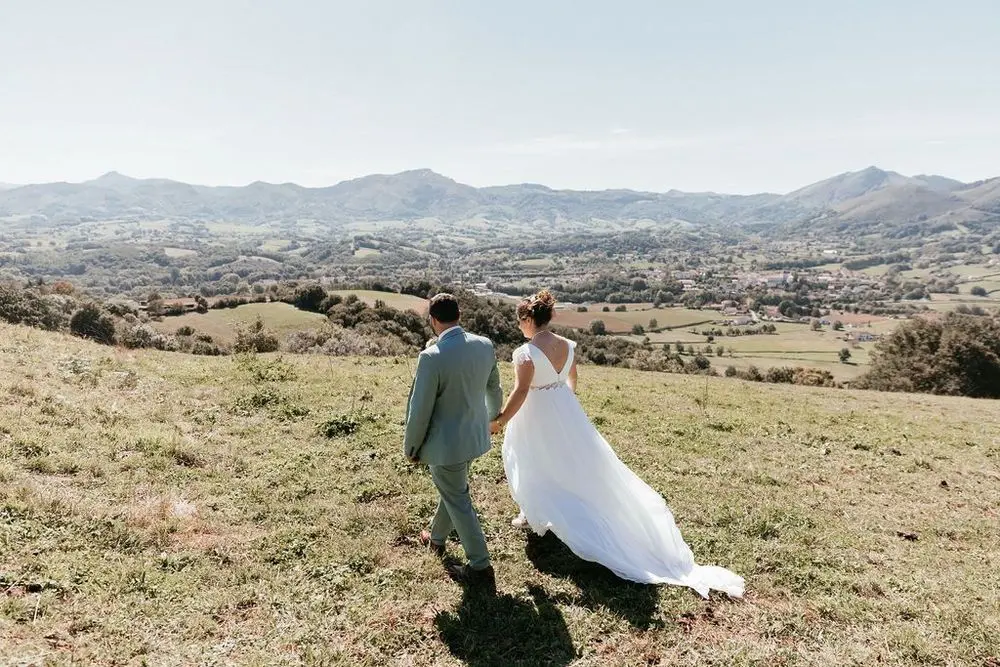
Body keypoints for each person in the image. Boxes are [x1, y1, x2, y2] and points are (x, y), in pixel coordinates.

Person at [491, 290, 744, 598]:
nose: (519, 326)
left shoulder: (525, 353)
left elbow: (520, 391)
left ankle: (534, 513)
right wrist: (564, 403)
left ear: (529, 319)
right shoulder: (568, 345)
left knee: (531, 458)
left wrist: (500, 420)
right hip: (565, 410)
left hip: (537, 414)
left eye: (520, 321)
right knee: (569, 460)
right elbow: (572, 379)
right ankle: (538, 510)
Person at [404, 293, 503, 585]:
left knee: (458, 498)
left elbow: (420, 409)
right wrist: (491, 420)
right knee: (454, 490)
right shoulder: (484, 345)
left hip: (446, 445)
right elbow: (494, 389)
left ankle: (480, 566)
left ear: (432, 320)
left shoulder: (431, 356)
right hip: (474, 436)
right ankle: (435, 539)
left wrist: (412, 447)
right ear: (459, 315)